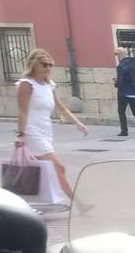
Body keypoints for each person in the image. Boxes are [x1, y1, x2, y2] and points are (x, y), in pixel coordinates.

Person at [14, 48, 87, 207]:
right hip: (31, 131)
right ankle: (80, 204)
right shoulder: (26, 85)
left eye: (50, 65)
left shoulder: (49, 85)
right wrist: (21, 136)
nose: (47, 68)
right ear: (34, 65)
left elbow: (61, 108)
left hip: (46, 130)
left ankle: (28, 202)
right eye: (44, 64)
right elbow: (22, 111)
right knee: (58, 166)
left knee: (44, 169)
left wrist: (77, 123)